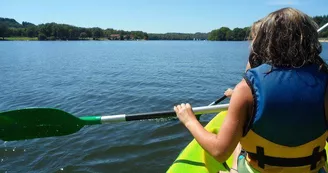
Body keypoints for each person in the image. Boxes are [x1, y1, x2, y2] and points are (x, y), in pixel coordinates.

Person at [174, 7, 328, 173]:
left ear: (264, 40)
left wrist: (189, 120)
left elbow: (219, 152)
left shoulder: (246, 89)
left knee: (242, 137)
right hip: (311, 170)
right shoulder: (325, 83)